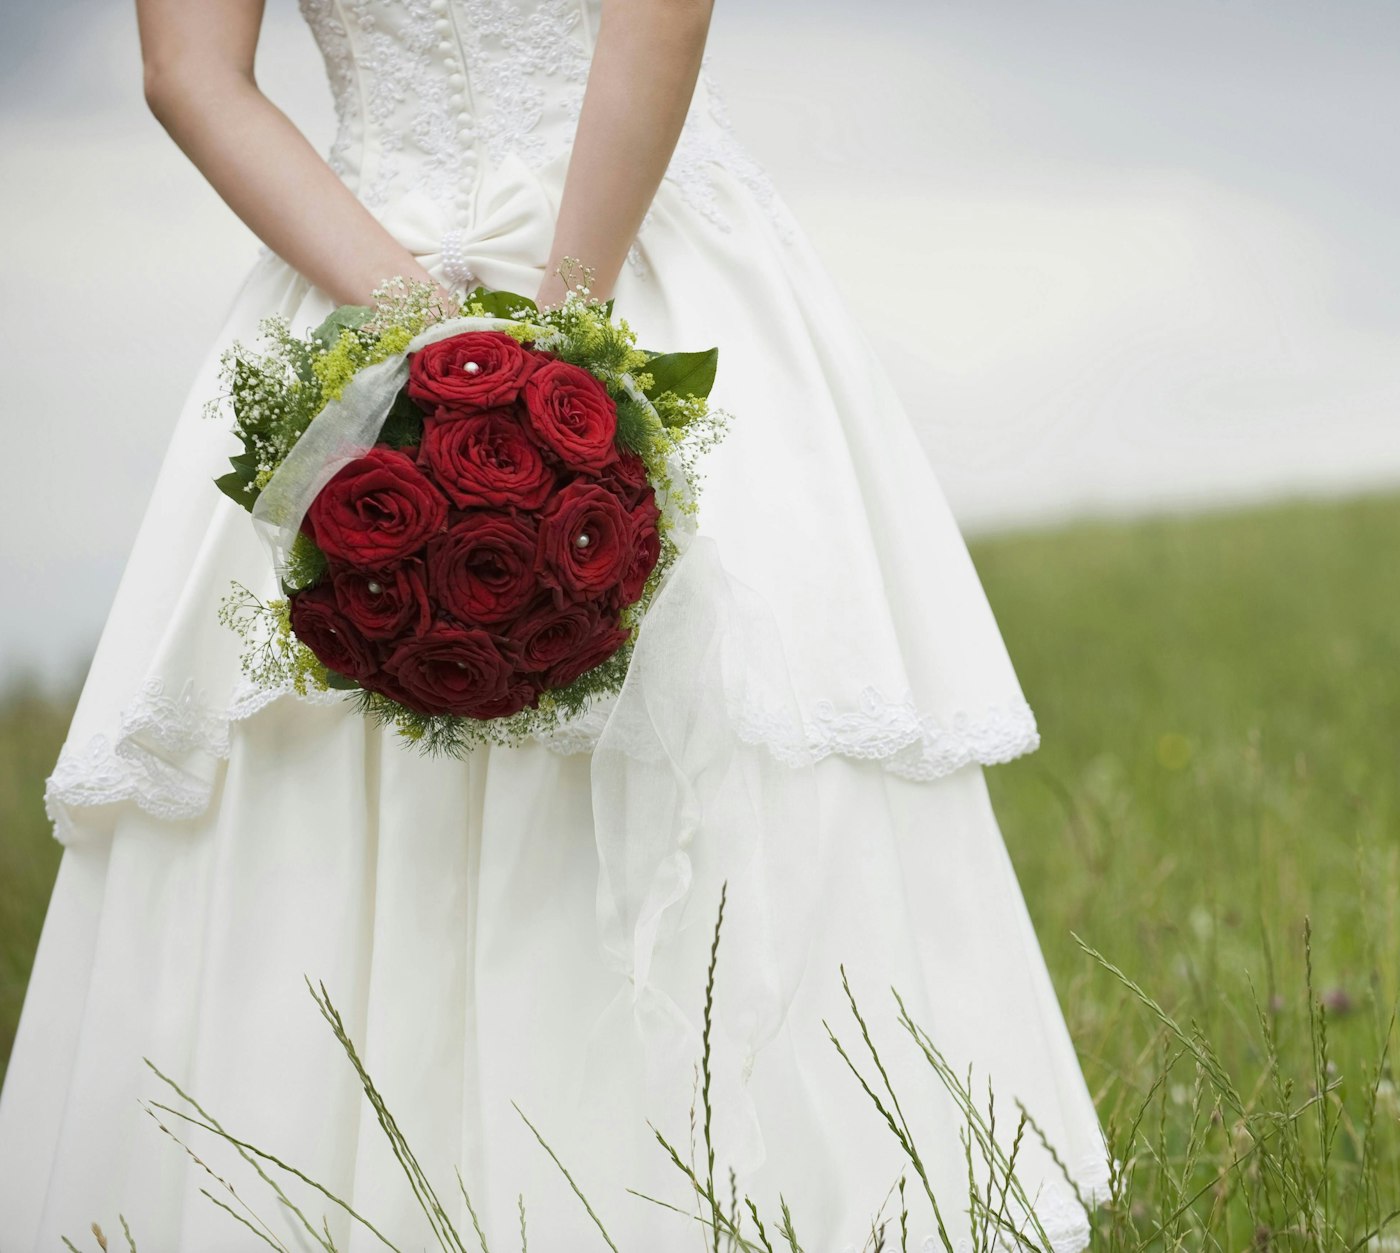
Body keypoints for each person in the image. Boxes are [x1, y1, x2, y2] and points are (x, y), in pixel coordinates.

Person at [0, 0, 1107, 1247]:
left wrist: (451, 341)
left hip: (430, 258)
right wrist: (528, 358)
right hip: (612, 269)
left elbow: (188, 70)